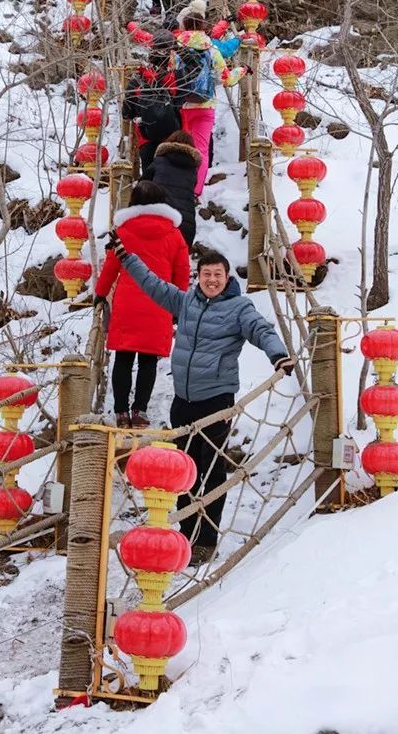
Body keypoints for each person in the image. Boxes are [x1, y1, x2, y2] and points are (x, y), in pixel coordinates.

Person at [107, 240, 295, 563]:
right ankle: (186, 534)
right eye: (206, 274)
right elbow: (151, 284)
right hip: (183, 401)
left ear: (227, 278)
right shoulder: (185, 303)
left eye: (217, 275)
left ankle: (205, 540)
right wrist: (126, 257)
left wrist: (278, 354)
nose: (211, 280)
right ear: (197, 277)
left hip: (216, 402)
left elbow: (261, 330)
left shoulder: (239, 309)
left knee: (209, 469)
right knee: (184, 468)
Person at [94, 182, 190, 429]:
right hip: (159, 303)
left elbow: (111, 267)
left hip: (128, 302)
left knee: (123, 358)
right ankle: (140, 411)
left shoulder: (123, 232)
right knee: (149, 360)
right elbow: (182, 271)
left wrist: (100, 293)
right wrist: (179, 303)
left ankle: (120, 413)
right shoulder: (174, 234)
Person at [173, 0, 247, 195]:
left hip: (182, 104)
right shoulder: (211, 49)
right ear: (203, 26)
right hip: (205, 105)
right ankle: (195, 190)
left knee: (182, 147)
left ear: (185, 25)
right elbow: (227, 80)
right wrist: (242, 70)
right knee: (201, 149)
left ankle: (180, 185)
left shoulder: (176, 48)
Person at [122, 30, 180, 173]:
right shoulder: (176, 77)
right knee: (170, 173)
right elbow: (181, 103)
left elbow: (127, 112)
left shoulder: (138, 80)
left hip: (146, 135)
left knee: (149, 174)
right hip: (172, 134)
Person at [142, 129, 201, 247]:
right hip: (186, 225)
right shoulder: (192, 171)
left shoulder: (159, 161)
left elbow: (143, 184)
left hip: (160, 219)